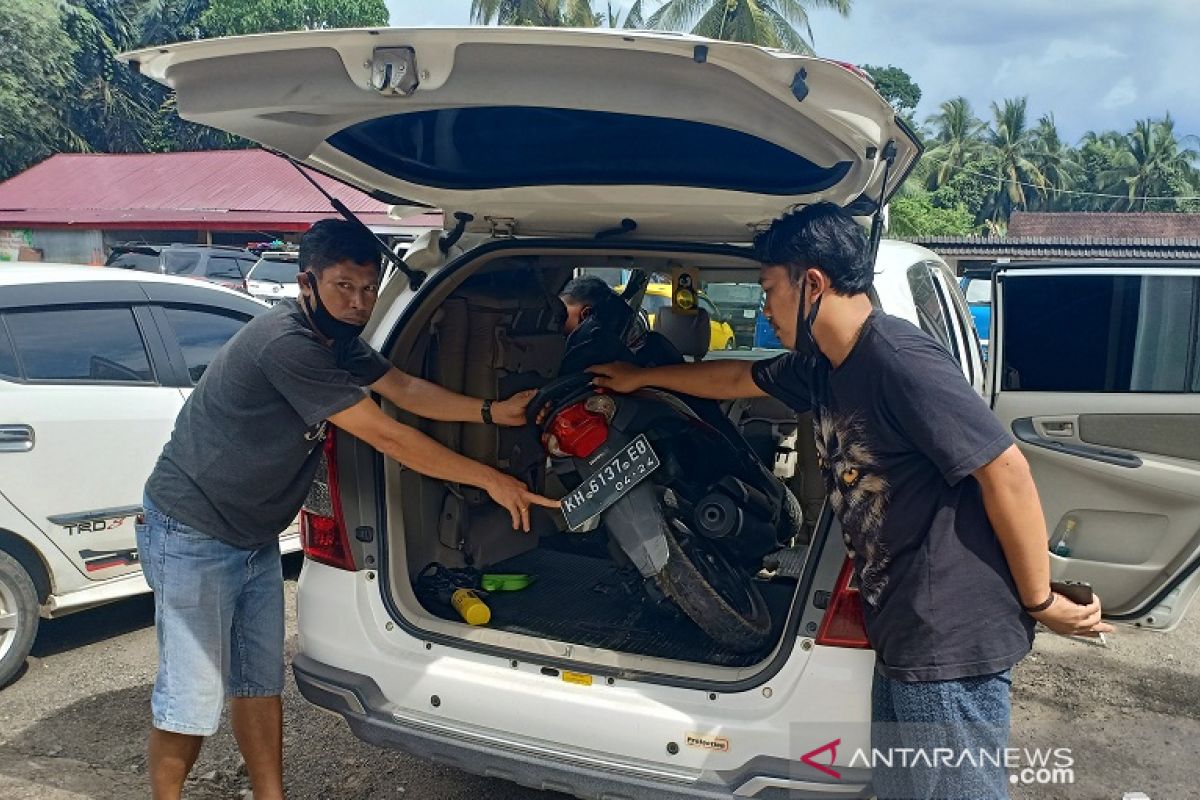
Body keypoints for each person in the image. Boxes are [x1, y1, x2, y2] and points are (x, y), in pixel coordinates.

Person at [590, 203, 1113, 799]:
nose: (765, 308)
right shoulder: (825, 365)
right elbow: (737, 379)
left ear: (812, 284)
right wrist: (641, 378)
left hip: (950, 637)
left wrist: (1040, 599)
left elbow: (1006, 471)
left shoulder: (897, 359)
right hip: (905, 627)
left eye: (769, 290)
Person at [136, 219, 557, 800]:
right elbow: (389, 436)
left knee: (258, 682)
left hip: (251, 535)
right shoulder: (289, 345)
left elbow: (405, 388)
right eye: (343, 286)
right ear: (307, 282)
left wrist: (493, 413)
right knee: (193, 691)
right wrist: (492, 479)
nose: (359, 302)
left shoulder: (337, 341)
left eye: (368, 286)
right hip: (193, 528)